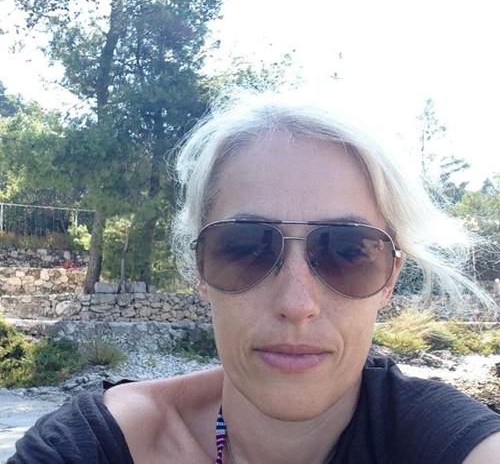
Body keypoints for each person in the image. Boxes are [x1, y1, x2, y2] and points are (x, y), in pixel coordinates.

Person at [8, 87, 500, 463]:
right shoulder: (94, 446)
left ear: (390, 277)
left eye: (347, 252)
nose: (297, 304)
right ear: (200, 269)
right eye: (245, 248)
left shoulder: (444, 440)